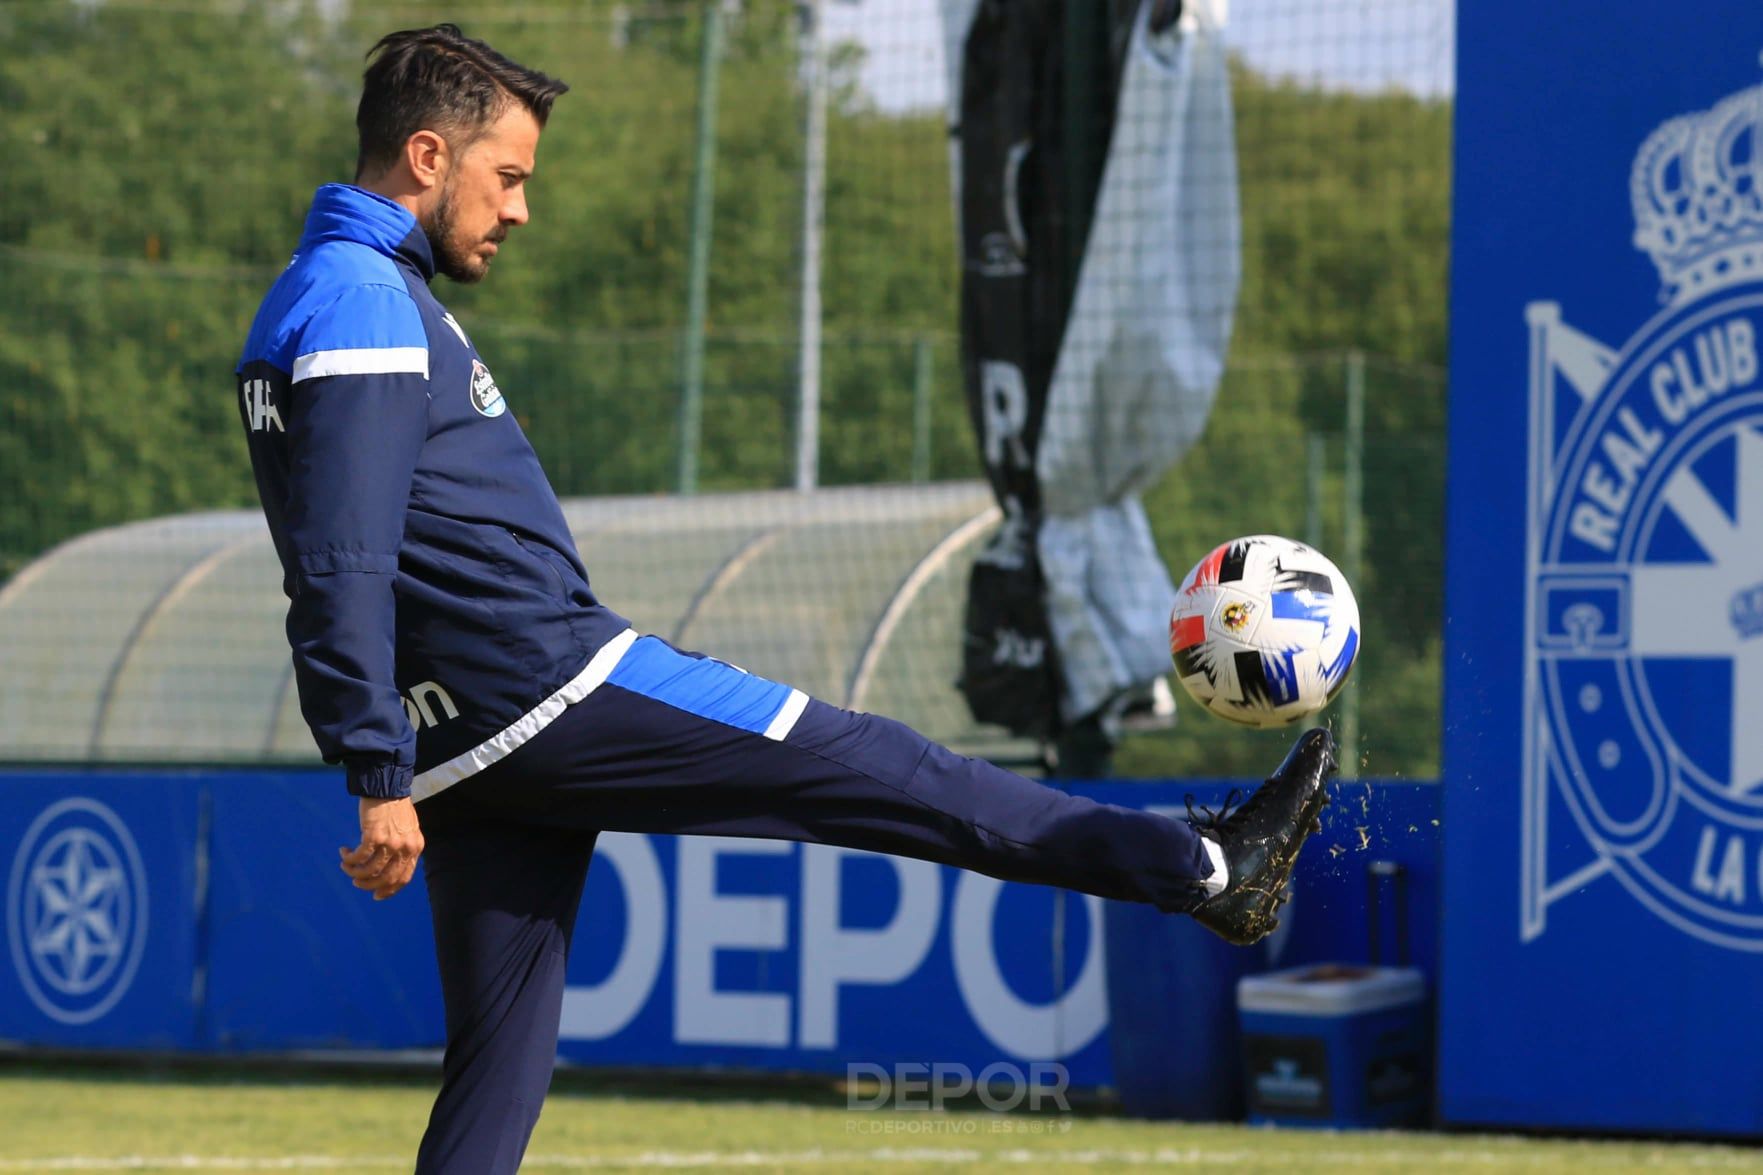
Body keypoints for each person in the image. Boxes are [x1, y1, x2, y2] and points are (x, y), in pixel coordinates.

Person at [235, 24, 1337, 1175]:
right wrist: (371, 769)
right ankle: (1209, 870)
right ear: (424, 155)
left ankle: (1203, 865)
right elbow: (341, 560)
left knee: (498, 1057)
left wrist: (395, 751)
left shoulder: (318, 294)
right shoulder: (362, 300)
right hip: (545, 688)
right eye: (506, 176)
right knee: (895, 773)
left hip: (465, 740)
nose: (518, 210)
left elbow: (343, 552)